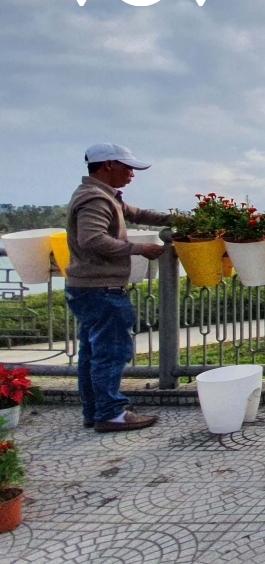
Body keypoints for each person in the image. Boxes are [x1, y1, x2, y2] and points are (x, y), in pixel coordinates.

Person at [65, 144, 173, 432]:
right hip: (102, 290)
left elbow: (136, 213)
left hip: (87, 289)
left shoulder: (101, 195)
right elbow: (93, 239)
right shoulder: (96, 200)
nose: (132, 174)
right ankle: (111, 413)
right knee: (111, 352)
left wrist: (175, 220)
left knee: (92, 353)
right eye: (128, 168)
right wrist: (140, 248)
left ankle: (96, 412)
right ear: (108, 165)